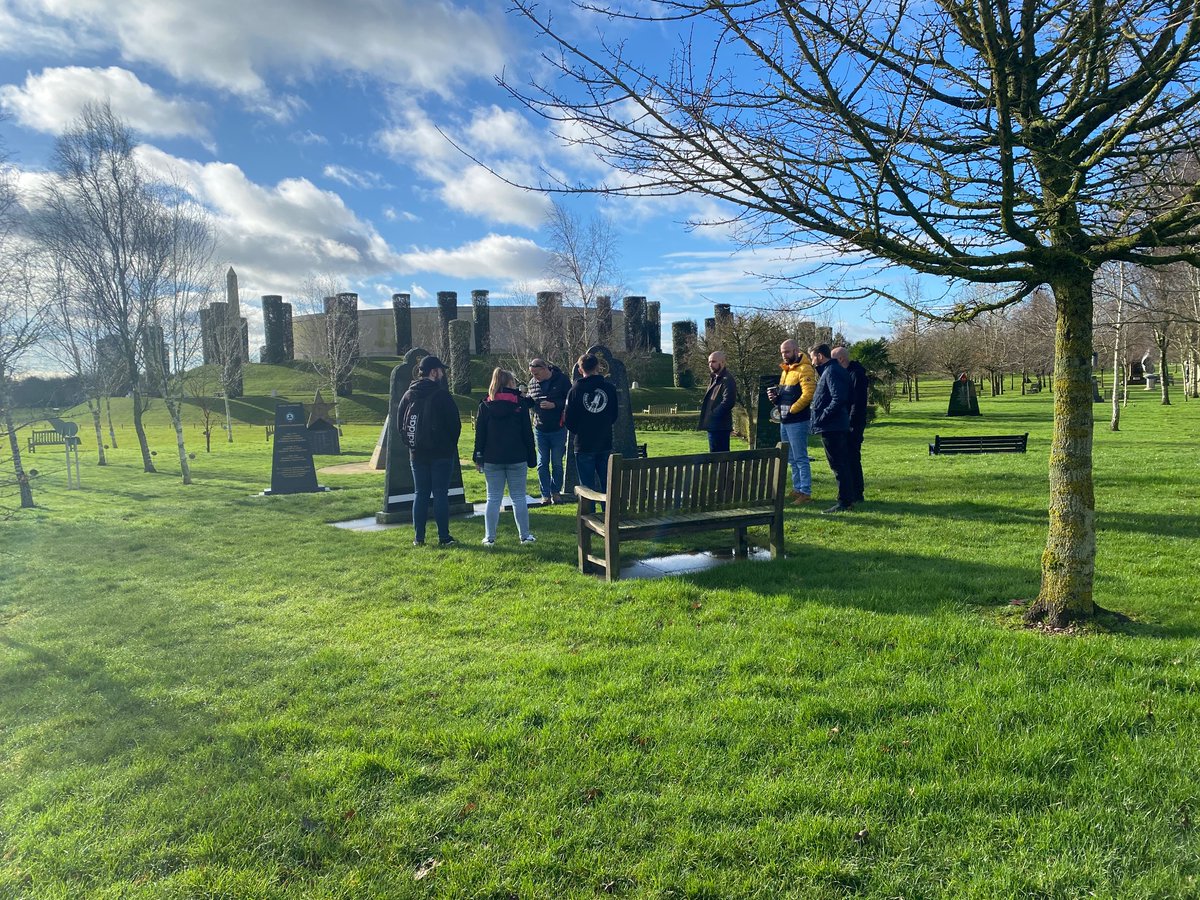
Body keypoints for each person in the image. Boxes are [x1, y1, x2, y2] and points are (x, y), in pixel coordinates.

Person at [397, 355, 462, 546]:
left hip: (417, 453)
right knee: (440, 493)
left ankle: (419, 538)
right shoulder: (441, 395)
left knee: (420, 493)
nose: (442, 374)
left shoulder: (409, 395)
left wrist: (411, 445)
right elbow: (454, 424)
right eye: (441, 370)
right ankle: (443, 537)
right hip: (441, 452)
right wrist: (449, 446)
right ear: (434, 372)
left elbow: (400, 424)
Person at [474, 368, 538, 546]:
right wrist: (532, 456)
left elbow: (480, 435)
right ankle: (525, 535)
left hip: (492, 458)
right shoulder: (519, 404)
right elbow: (527, 433)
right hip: (517, 456)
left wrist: (478, 457)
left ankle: (489, 537)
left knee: (492, 498)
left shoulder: (485, 405)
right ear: (510, 384)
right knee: (518, 497)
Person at [766, 339, 817, 504]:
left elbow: (808, 394)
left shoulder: (805, 368)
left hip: (797, 420)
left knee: (801, 457)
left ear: (796, 350)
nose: (784, 355)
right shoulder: (786, 370)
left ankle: (805, 492)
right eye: (782, 352)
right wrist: (776, 399)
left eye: (787, 352)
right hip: (785, 420)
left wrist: (792, 410)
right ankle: (797, 489)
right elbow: (785, 396)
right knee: (791, 458)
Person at [564, 353, 619, 500]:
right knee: (607, 485)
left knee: (586, 487)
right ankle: (608, 515)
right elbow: (614, 414)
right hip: (604, 441)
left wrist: (581, 431)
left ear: (580, 370)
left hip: (584, 443)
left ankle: (589, 517)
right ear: (598, 367)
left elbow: (568, 420)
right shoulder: (609, 389)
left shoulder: (574, 391)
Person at [808, 343, 854, 513]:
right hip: (834, 424)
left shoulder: (832, 371)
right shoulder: (830, 370)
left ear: (820, 356)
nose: (812, 361)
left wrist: (822, 416)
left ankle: (845, 501)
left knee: (838, 464)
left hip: (833, 426)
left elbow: (838, 398)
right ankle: (847, 499)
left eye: (812, 356)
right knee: (840, 463)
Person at [525, 357, 572, 505]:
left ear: (545, 369)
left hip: (558, 428)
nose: (534, 377)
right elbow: (531, 401)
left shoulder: (562, 380)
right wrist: (526, 400)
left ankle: (556, 491)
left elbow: (570, 400)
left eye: (536, 374)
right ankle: (545, 494)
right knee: (542, 463)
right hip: (540, 428)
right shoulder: (532, 383)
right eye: (532, 374)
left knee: (557, 463)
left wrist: (554, 405)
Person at [832, 346, 869, 504]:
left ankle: (857, 492)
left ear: (841, 359)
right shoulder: (848, 374)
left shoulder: (856, 375)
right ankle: (853, 491)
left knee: (853, 457)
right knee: (848, 457)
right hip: (848, 421)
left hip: (854, 423)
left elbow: (857, 402)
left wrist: (850, 422)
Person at [697, 351, 738, 451]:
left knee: (720, 459)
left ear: (723, 362)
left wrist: (713, 414)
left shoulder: (727, 379)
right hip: (714, 426)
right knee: (716, 457)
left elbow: (728, 401)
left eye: (714, 361)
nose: (711, 364)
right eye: (709, 362)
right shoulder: (715, 378)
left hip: (720, 426)